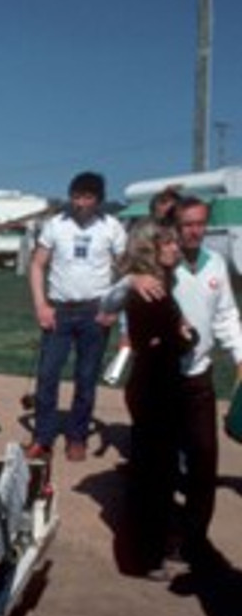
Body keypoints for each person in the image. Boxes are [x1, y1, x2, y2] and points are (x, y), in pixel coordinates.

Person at [128, 196, 242, 571]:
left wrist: (240, 356)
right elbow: (111, 298)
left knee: (204, 460)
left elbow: (226, 316)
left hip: (198, 378)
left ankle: (193, 541)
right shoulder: (161, 268)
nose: (194, 231)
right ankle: (154, 544)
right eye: (186, 224)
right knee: (159, 467)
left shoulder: (216, 265)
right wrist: (132, 277)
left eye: (200, 223)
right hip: (161, 380)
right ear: (174, 227)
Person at [100, 222, 196, 580]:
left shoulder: (161, 287)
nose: (175, 247)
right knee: (152, 476)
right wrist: (183, 337)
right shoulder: (149, 291)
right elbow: (160, 341)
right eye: (167, 243)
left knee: (157, 472)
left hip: (159, 384)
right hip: (155, 386)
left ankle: (149, 552)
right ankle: (144, 557)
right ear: (150, 250)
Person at [26, 171, 127, 461]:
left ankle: (77, 436)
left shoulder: (111, 227)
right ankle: (42, 438)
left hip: (94, 312)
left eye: (87, 197)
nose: (80, 202)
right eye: (76, 196)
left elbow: (125, 272)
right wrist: (41, 305)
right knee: (47, 376)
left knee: (85, 378)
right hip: (59, 311)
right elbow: (37, 265)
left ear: (98, 200)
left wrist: (114, 308)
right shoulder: (55, 225)